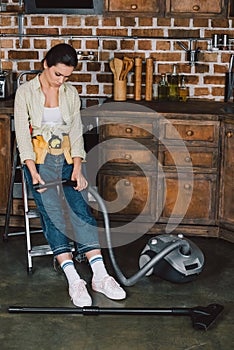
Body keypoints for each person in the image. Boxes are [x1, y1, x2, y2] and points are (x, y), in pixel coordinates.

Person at [14, 43, 126, 307]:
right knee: (53, 216)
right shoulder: (25, 93)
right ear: (46, 65)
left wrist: (78, 166)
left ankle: (100, 275)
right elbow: (22, 136)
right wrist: (33, 173)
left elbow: (76, 132)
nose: (61, 80)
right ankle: (74, 279)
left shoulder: (70, 93)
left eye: (66, 76)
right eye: (57, 75)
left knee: (81, 211)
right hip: (39, 162)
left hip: (66, 159)